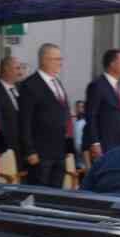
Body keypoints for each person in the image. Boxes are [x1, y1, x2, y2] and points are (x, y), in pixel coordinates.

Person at [17, 43, 74, 188]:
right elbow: (24, 121)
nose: (60, 63)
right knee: (40, 192)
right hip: (40, 153)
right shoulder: (30, 85)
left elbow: (63, 115)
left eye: (61, 59)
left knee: (56, 194)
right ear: (44, 60)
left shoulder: (57, 83)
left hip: (59, 151)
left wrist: (68, 146)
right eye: (56, 59)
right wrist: (30, 151)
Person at [83, 48, 120, 167]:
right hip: (103, 145)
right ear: (112, 64)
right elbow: (91, 115)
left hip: (119, 145)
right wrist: (95, 142)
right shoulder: (97, 85)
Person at [0, 55, 22, 156]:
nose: (20, 72)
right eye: (17, 68)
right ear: (6, 69)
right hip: (4, 147)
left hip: (20, 147)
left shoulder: (21, 88)